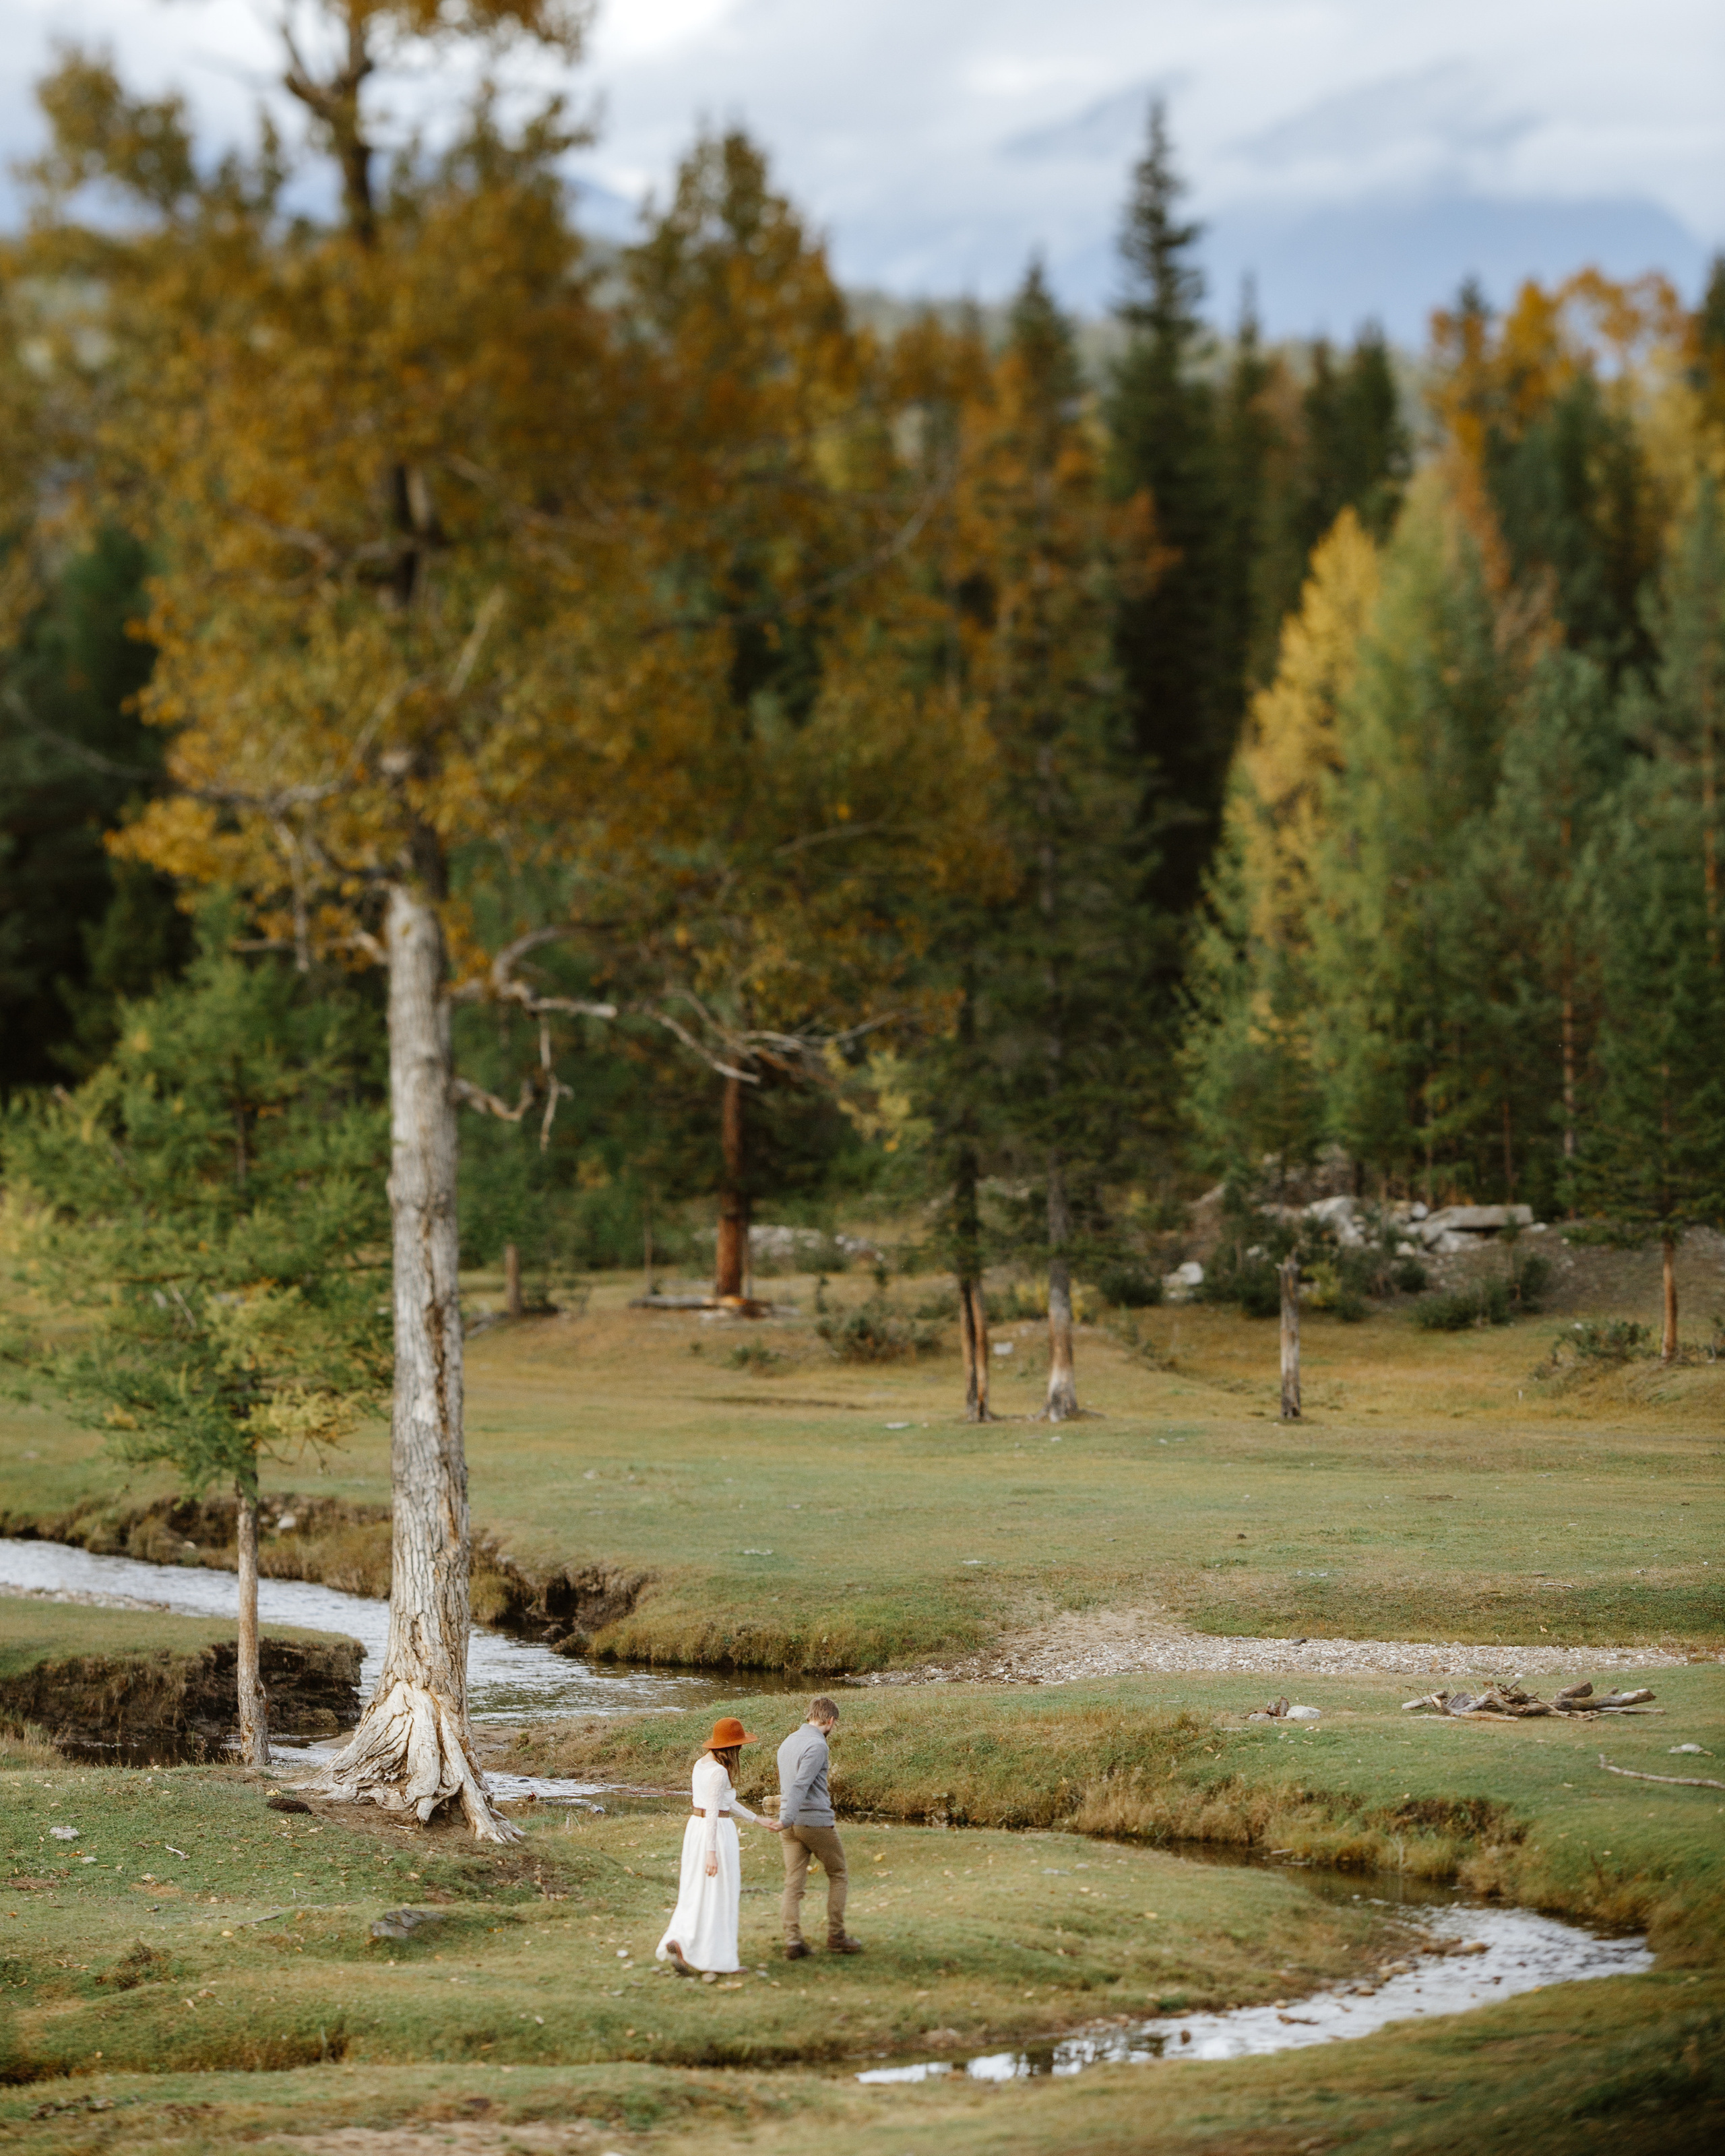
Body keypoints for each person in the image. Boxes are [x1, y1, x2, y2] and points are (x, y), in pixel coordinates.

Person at [656, 1715, 782, 1977]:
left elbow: (723, 1801)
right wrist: (711, 1853)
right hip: (714, 1834)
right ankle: (717, 1960)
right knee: (719, 1892)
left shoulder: (702, 1765)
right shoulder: (719, 1771)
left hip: (696, 1829)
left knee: (696, 1891)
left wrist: (757, 1819)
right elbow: (715, 1811)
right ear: (732, 1748)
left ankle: (682, 1940)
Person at [776, 1695, 861, 1958]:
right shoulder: (817, 1745)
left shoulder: (788, 1741)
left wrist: (785, 1820)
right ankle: (836, 1936)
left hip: (789, 1827)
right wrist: (788, 1818)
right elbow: (801, 1785)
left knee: (794, 1883)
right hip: (812, 1821)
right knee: (838, 1873)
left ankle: (793, 1942)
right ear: (831, 1720)